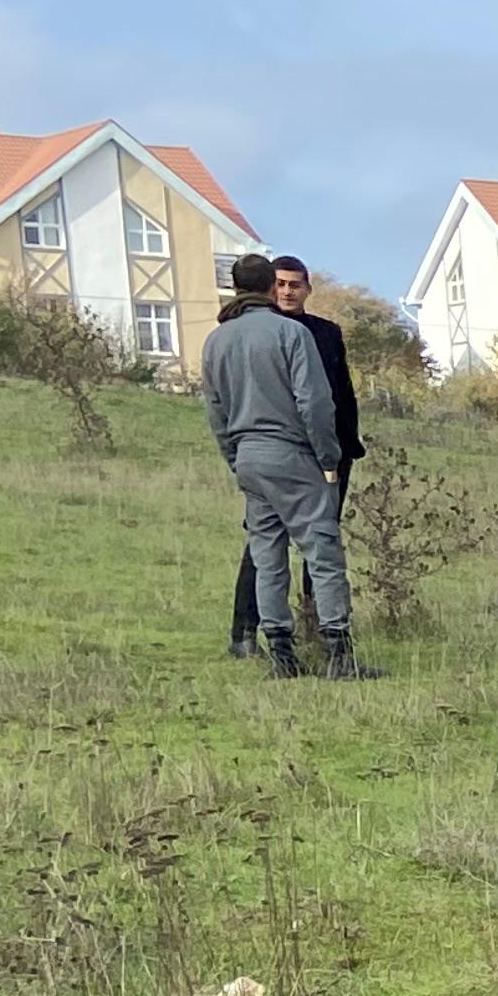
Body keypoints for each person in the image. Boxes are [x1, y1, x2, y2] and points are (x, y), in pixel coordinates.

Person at [203, 251, 356, 681]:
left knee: (267, 555)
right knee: (322, 552)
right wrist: (328, 457)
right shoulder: (292, 333)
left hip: (248, 456)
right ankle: (338, 654)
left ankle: (282, 656)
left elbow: (215, 409)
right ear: (272, 287)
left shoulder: (216, 341)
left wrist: (235, 458)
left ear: (235, 288)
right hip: (292, 453)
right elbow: (314, 402)